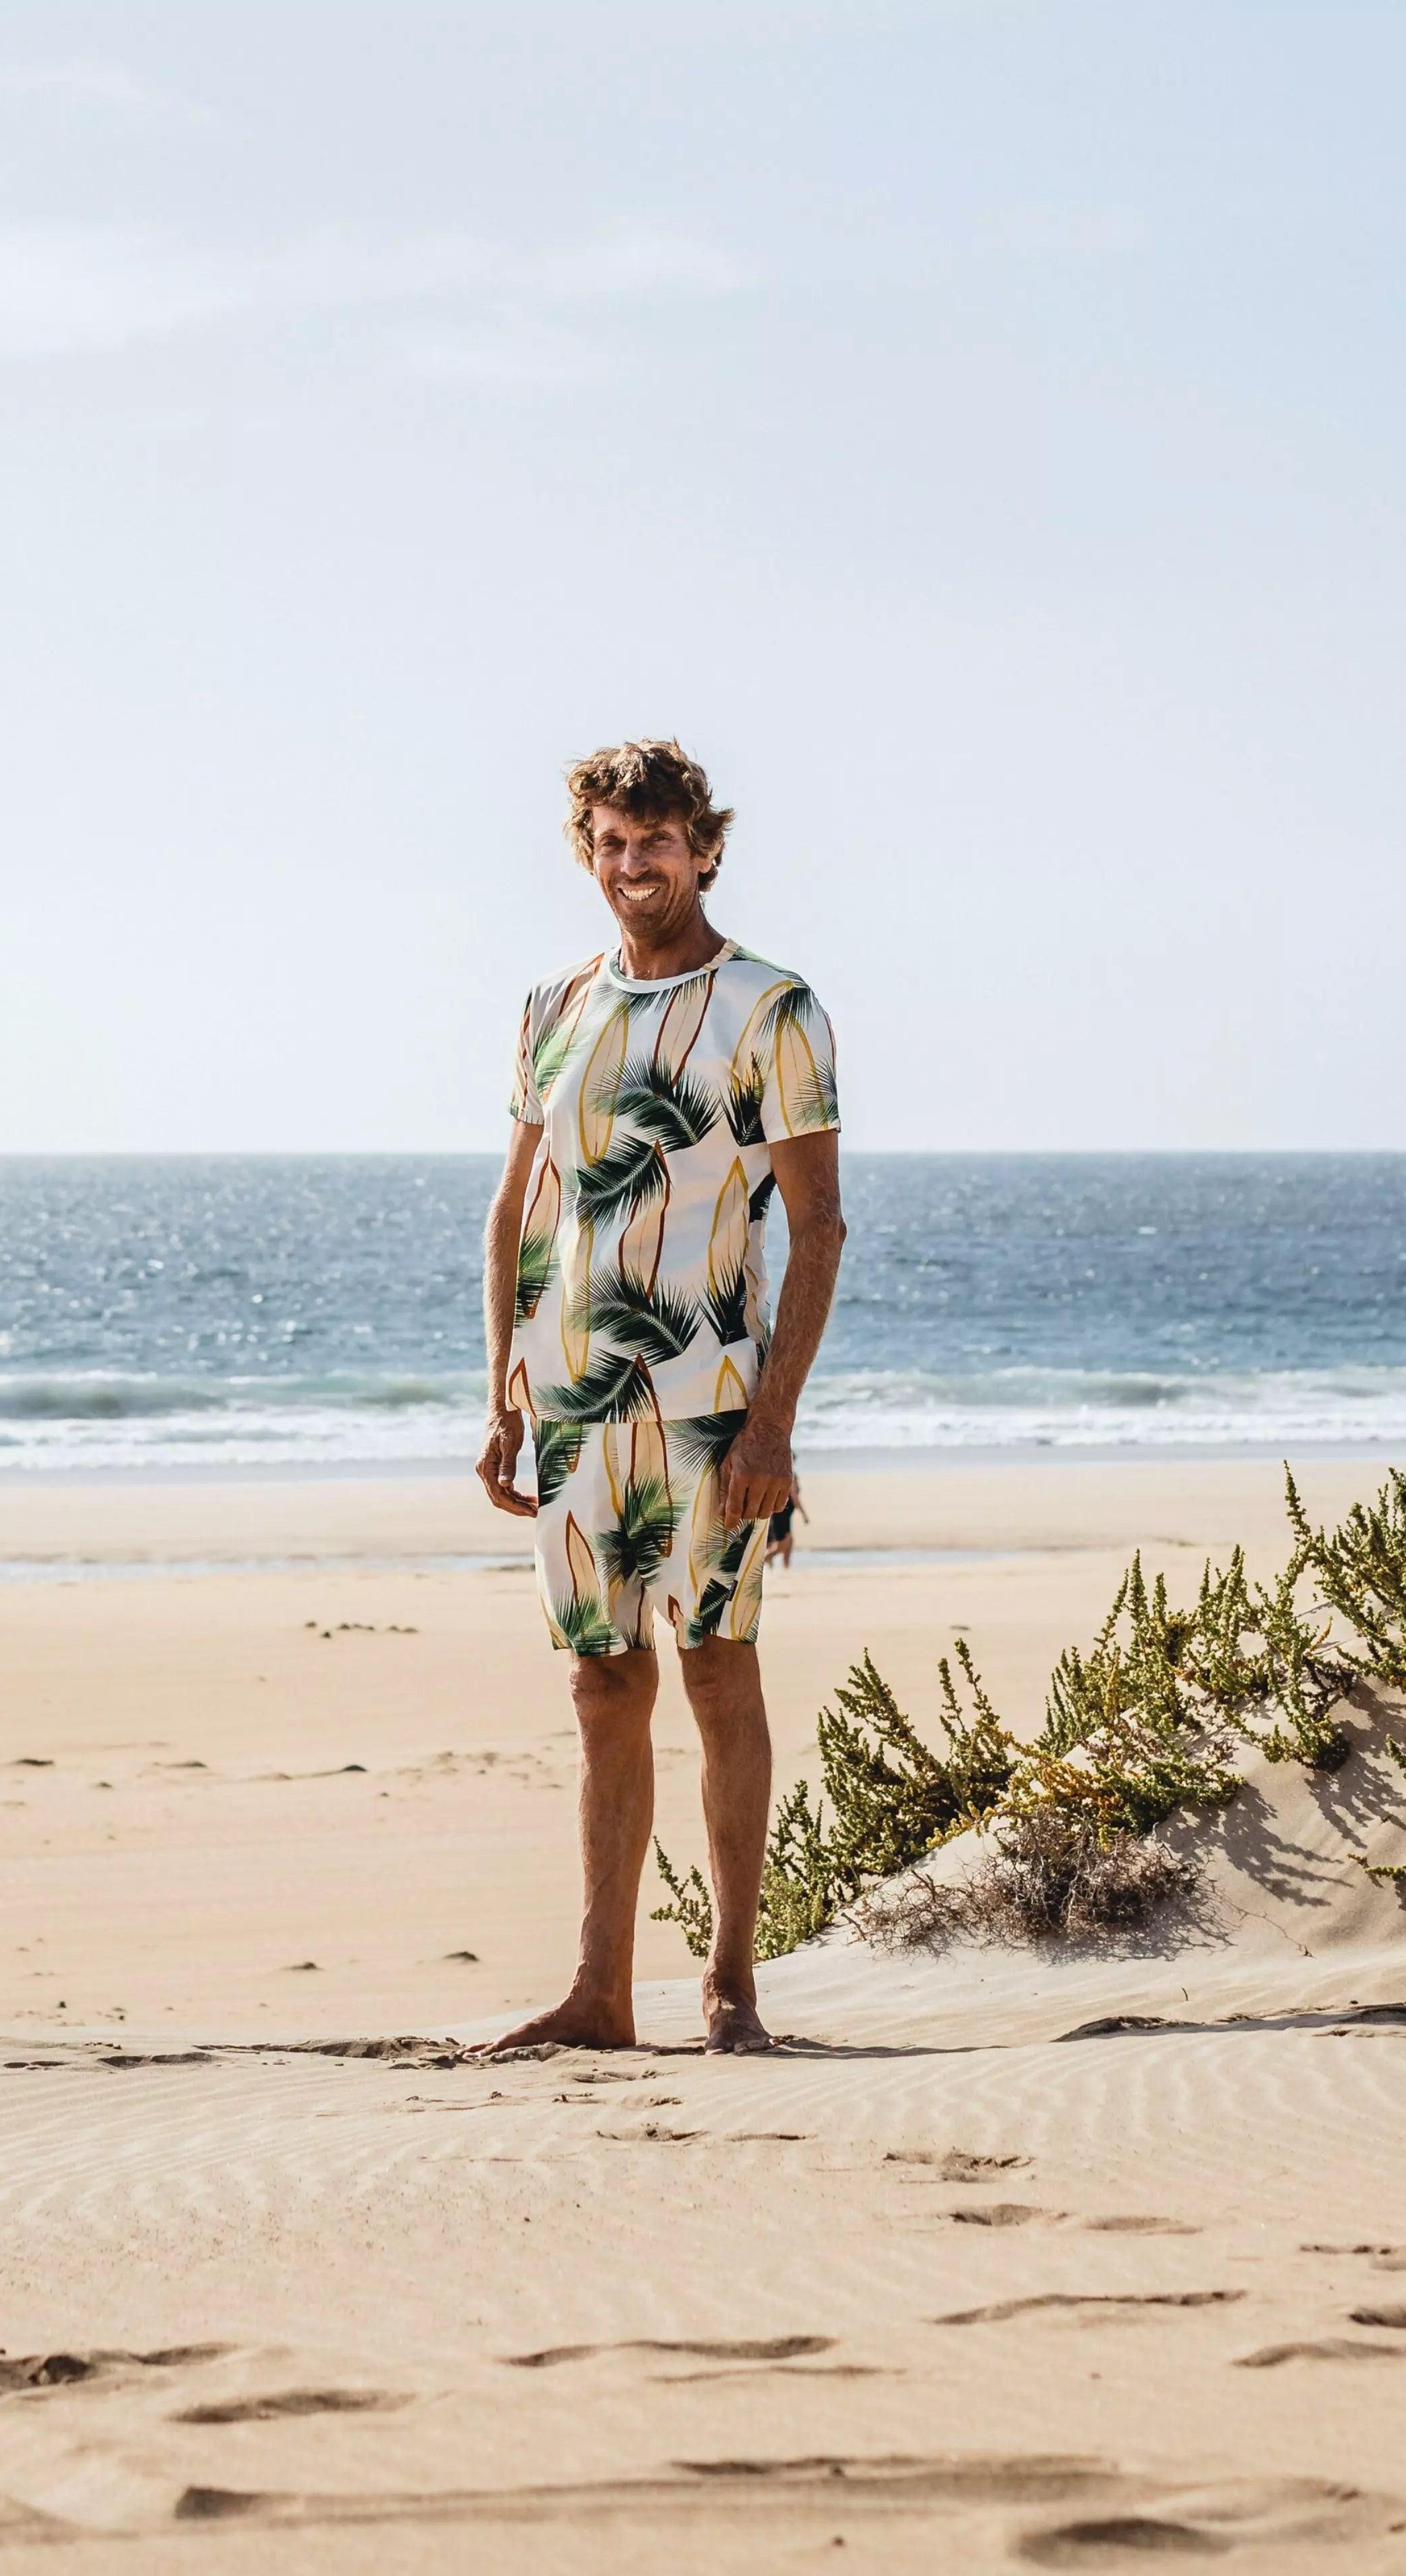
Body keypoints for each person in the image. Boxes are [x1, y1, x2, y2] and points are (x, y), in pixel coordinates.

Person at [474, 740, 845, 2054]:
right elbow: (516, 1208)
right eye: (613, 844)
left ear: (705, 848)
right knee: (600, 1686)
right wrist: (503, 1391)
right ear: (590, 853)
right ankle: (601, 1994)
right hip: (576, 1400)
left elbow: (820, 1225)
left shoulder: (771, 1007)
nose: (635, 865)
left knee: (718, 1668)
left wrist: (774, 1423)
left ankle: (733, 1989)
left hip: (712, 1396)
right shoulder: (555, 1006)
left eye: (660, 841)